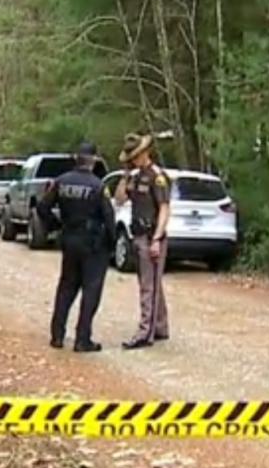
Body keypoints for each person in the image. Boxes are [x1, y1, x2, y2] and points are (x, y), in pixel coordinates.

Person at [37, 141, 115, 353]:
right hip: (92, 244)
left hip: (69, 239)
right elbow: (109, 217)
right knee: (91, 290)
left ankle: (57, 336)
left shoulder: (61, 182)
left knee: (66, 288)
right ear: (94, 160)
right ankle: (83, 339)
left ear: (76, 158)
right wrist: (111, 243)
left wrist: (56, 226)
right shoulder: (98, 186)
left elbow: (42, 207)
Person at [114, 132, 171, 349]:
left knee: (149, 286)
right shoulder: (136, 177)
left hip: (151, 236)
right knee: (152, 283)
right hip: (137, 235)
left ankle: (145, 332)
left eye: (135, 156)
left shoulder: (158, 177)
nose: (133, 160)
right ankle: (160, 326)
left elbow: (164, 208)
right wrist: (125, 175)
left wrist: (157, 238)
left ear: (145, 153)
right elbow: (120, 199)